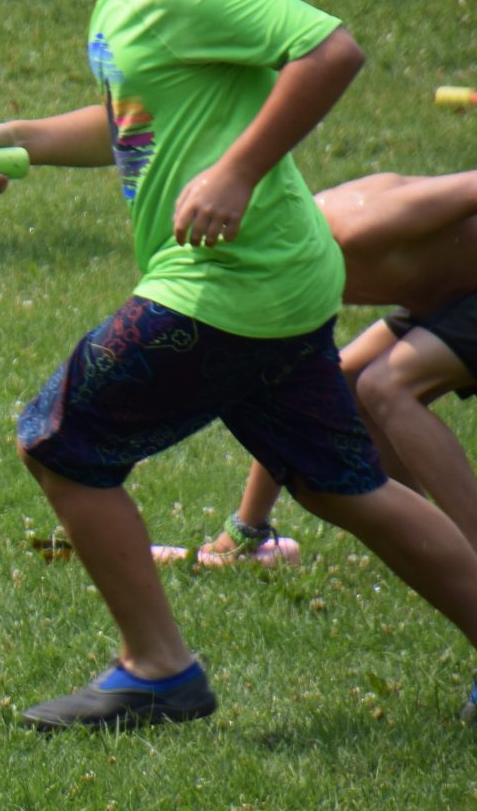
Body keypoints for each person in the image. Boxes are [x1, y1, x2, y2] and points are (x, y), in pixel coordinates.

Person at [0, 0, 477, 730]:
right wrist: (20, 137)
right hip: (273, 283)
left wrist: (235, 172)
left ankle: (157, 668)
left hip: (222, 288)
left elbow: (330, 47)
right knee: (344, 488)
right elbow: (135, 118)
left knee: (59, 440)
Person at [161, 170, 477, 566]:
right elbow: (289, 397)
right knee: (348, 380)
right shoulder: (287, 277)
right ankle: (434, 551)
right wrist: (245, 529)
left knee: (386, 386)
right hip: (448, 300)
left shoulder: (357, 224)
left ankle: (469, 553)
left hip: (463, 295)